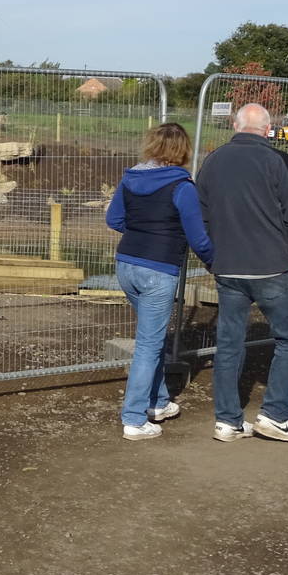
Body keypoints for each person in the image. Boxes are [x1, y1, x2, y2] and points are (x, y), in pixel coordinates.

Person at [195, 102, 288, 443]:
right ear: (267, 129)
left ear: (235, 125)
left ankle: (227, 421)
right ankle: (275, 415)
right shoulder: (274, 160)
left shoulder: (213, 161)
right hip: (272, 266)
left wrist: (210, 257)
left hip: (228, 268)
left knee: (229, 343)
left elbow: (201, 214)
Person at [105, 122, 214, 441]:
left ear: (151, 145)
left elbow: (114, 220)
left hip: (126, 265)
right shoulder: (183, 187)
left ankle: (160, 401)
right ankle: (134, 419)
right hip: (158, 269)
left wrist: (142, 233)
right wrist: (214, 263)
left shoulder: (130, 178)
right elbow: (198, 237)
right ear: (183, 151)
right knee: (149, 344)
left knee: (150, 337)